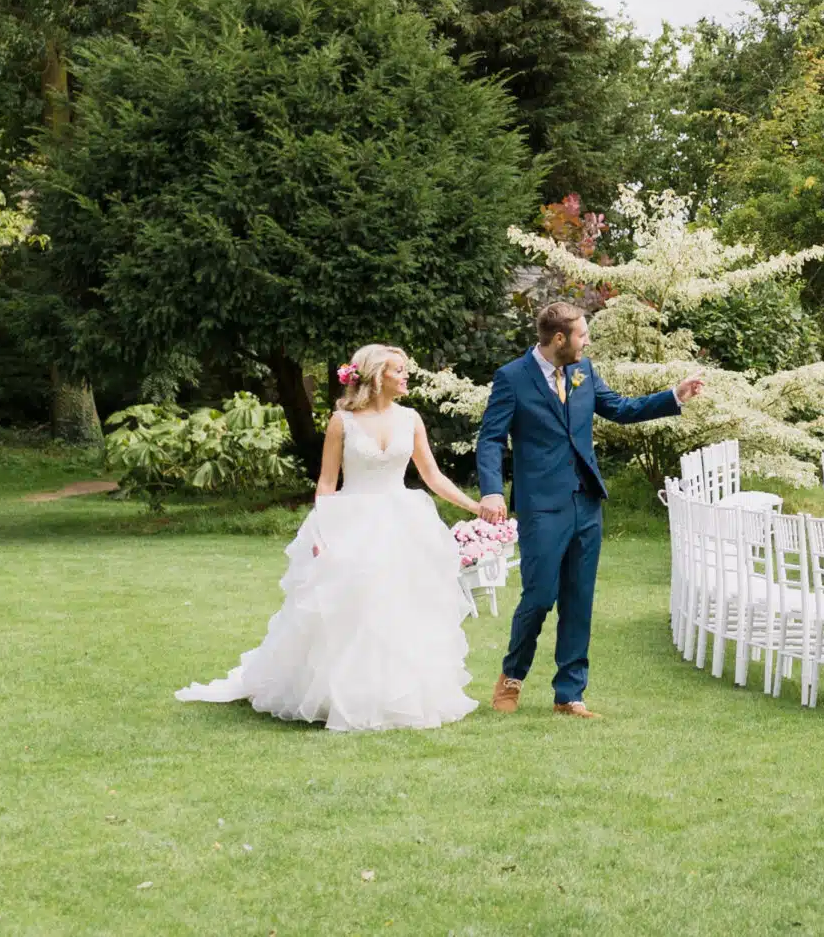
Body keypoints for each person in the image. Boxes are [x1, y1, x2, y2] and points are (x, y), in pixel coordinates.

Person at [177, 344, 484, 732]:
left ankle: (399, 695)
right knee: (352, 609)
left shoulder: (411, 419)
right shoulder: (343, 422)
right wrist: (321, 531)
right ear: (376, 376)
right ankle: (341, 695)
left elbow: (433, 476)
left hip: (403, 522)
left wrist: (475, 507)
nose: (406, 376)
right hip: (352, 520)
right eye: (399, 370)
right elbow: (326, 482)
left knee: (401, 608)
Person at [476, 301, 703, 718]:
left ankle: (570, 694)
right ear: (559, 338)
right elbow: (490, 439)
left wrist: (673, 396)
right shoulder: (511, 378)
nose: (588, 341)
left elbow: (621, 409)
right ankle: (512, 676)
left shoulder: (583, 372)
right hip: (542, 506)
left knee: (579, 599)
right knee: (541, 595)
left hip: (586, 502)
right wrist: (492, 491)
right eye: (582, 334)